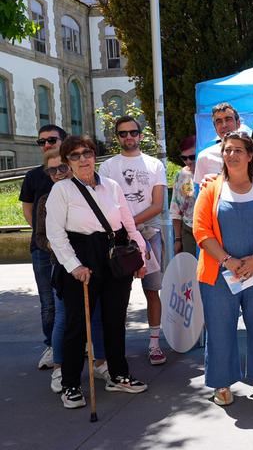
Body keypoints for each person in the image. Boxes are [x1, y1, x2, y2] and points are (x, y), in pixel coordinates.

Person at [45, 136, 148, 408]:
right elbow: (55, 234)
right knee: (77, 325)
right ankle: (70, 384)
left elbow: (129, 225)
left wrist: (140, 256)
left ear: (94, 155)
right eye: (75, 156)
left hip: (113, 258)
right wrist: (74, 266)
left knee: (115, 321)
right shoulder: (62, 190)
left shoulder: (111, 186)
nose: (83, 159)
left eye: (87, 153)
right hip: (81, 257)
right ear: (68, 162)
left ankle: (118, 374)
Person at [192, 131, 253, 405]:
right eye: (227, 150)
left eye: (238, 150)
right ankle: (221, 383)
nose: (231, 155)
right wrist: (227, 261)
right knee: (219, 328)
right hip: (219, 273)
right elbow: (201, 230)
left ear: (250, 155)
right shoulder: (210, 188)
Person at [35, 149, 108, 394]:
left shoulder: (87, 190)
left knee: (95, 316)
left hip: (90, 264)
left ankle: (100, 362)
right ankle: (60, 369)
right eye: (52, 170)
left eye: (61, 168)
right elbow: (42, 236)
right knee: (65, 319)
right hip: (64, 267)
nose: (58, 174)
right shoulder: (49, 198)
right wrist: (66, 254)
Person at [99, 116, 168, 366]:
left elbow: (158, 205)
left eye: (133, 132)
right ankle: (115, 350)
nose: (128, 137)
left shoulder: (154, 165)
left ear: (140, 135)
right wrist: (126, 229)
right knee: (118, 295)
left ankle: (154, 344)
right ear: (116, 137)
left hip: (149, 235)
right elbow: (105, 202)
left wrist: (132, 225)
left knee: (152, 290)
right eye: (122, 133)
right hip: (118, 239)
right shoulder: (107, 167)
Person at [19, 124, 68, 369]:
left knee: (72, 300)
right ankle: (52, 346)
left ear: (64, 141)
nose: (47, 144)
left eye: (51, 139)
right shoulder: (33, 176)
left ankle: (75, 344)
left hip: (70, 249)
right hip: (42, 249)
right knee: (48, 301)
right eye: (42, 142)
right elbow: (28, 207)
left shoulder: (72, 172)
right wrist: (43, 234)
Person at [194, 102, 253, 186]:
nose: (224, 125)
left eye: (228, 119)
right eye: (219, 121)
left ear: (238, 123)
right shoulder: (204, 157)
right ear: (215, 127)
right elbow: (200, 190)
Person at [170, 135, 197, 255]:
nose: (188, 161)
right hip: (189, 230)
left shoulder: (213, 171)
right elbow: (176, 209)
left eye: (192, 157)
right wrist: (177, 239)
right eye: (184, 158)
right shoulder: (181, 175)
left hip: (212, 230)